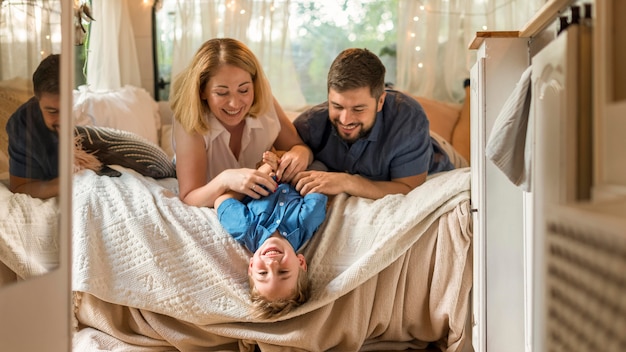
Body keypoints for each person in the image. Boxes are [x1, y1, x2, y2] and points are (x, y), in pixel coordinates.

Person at [292, 48, 463, 200]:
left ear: (381, 101)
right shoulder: (313, 122)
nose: (345, 120)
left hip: (433, 153)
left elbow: (408, 188)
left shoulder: (408, 119)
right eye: (337, 106)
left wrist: (347, 182)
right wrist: (302, 150)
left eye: (358, 109)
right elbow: (286, 147)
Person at [170, 38, 312, 208]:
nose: (235, 104)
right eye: (222, 93)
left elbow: (299, 146)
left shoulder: (266, 104)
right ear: (202, 91)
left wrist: (301, 154)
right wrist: (226, 179)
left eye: (244, 90)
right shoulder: (189, 120)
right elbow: (189, 196)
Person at [215, 150, 328, 318]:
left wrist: (267, 170)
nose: (272, 264)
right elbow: (315, 182)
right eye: (283, 272)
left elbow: (221, 201)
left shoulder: (246, 227)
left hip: (254, 165)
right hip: (297, 162)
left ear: (251, 266)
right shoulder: (306, 221)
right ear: (301, 263)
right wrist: (285, 169)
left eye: (262, 273)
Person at [6, 54, 61, 199]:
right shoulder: (23, 126)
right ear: (38, 101)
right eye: (52, 111)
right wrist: (76, 182)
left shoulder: (93, 109)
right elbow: (20, 187)